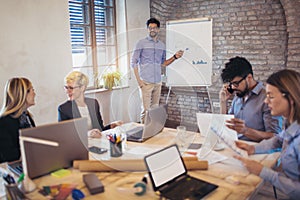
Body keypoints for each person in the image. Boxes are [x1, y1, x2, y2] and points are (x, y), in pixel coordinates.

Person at [235, 69, 300, 199]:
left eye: (271, 96)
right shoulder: (292, 124)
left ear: (291, 98)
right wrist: (253, 148)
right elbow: (278, 140)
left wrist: (263, 172)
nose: (265, 101)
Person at [131, 17, 184, 123]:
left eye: (154, 28)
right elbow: (133, 63)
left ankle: (152, 131)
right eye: (150, 28)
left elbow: (163, 63)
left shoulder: (161, 45)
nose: (152, 30)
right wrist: (140, 82)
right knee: (146, 111)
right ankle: (144, 135)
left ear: (158, 29)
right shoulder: (141, 43)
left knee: (154, 110)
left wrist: (175, 57)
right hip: (145, 82)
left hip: (157, 82)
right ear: (147, 29)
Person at [219, 56, 282, 142]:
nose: (233, 87)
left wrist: (246, 131)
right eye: (231, 84)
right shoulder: (238, 96)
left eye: (236, 83)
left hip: (256, 150)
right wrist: (223, 102)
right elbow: (226, 124)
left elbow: (275, 136)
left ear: (249, 78)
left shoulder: (267, 98)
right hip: (235, 145)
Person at [58, 71, 122, 138]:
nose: (67, 91)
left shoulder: (93, 103)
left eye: (71, 88)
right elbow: (65, 136)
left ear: (82, 88)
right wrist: (87, 134)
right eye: (66, 87)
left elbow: (100, 129)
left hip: (97, 143)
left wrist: (112, 126)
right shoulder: (63, 109)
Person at [0, 77, 36, 163]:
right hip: (13, 167)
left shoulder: (26, 116)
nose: (34, 94)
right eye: (32, 90)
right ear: (23, 94)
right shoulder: (4, 122)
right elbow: (9, 154)